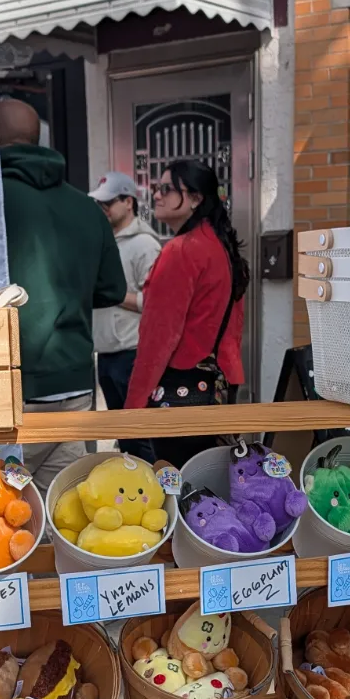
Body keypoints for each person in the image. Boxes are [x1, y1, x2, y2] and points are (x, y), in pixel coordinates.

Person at [0, 99, 126, 489]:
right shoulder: (86, 208)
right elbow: (112, 289)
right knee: (62, 512)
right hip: (74, 385)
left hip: (11, 386)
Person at [125, 159, 247, 470]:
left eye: (167, 189)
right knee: (209, 482)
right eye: (157, 188)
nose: (157, 195)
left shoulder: (181, 250)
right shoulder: (221, 245)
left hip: (183, 387)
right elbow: (233, 328)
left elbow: (158, 336)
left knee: (177, 487)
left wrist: (133, 407)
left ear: (195, 199)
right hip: (218, 382)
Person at [90, 171, 160, 457]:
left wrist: (113, 294)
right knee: (125, 438)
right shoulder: (106, 242)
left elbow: (157, 303)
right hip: (107, 354)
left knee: (141, 437)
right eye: (101, 203)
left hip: (132, 355)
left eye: (109, 202)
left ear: (128, 201)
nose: (104, 208)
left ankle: (157, 496)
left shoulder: (145, 244)